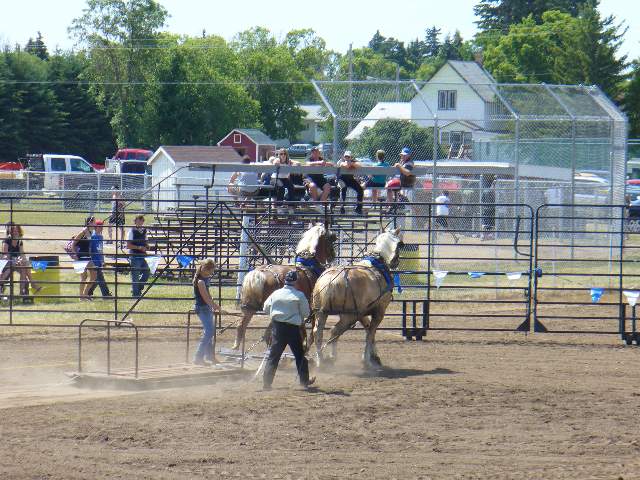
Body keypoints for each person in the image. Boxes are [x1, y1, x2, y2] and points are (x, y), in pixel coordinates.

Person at [262, 270, 315, 391]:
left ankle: (267, 383)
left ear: (285, 281)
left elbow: (265, 308)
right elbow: (306, 313)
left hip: (278, 328)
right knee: (300, 356)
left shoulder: (275, 293)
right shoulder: (299, 295)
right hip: (293, 329)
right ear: (296, 282)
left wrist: (275, 314)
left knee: (273, 356)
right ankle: (304, 382)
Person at [192, 258, 222, 366]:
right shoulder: (200, 282)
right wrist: (215, 306)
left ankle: (209, 356)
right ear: (205, 269)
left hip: (206, 308)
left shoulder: (205, 279)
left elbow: (208, 296)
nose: (212, 273)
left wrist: (213, 304)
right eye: (211, 271)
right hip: (202, 308)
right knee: (209, 332)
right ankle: (198, 357)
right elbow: (205, 298)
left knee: (209, 332)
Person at [0, 222, 42, 297]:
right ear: (11, 232)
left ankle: (21, 292)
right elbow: (4, 255)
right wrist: (15, 259)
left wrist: (22, 260)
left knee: (24, 267)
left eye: (17, 231)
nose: (16, 232)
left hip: (15, 262)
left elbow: (22, 254)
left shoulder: (19, 242)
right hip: (5, 263)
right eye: (14, 231)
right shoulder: (6, 240)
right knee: (19, 264)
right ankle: (32, 283)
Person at [71, 216, 97, 301]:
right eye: (94, 222)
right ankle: (81, 297)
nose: (95, 223)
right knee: (83, 277)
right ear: (89, 222)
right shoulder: (83, 231)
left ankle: (85, 294)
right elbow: (73, 244)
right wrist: (74, 255)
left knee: (94, 275)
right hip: (80, 257)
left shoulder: (91, 231)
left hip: (88, 257)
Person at [385, 147, 416, 212]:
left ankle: (392, 205)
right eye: (402, 155)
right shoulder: (402, 162)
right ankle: (399, 201)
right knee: (390, 185)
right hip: (402, 181)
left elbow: (407, 173)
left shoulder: (409, 163)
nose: (402, 156)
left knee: (388, 186)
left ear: (408, 155)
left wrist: (399, 166)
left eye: (404, 155)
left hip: (405, 182)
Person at [87, 219, 112, 298]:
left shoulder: (101, 237)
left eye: (102, 226)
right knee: (101, 279)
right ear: (95, 227)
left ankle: (88, 292)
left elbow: (101, 250)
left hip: (99, 260)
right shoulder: (92, 237)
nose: (101, 228)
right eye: (99, 226)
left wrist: (103, 260)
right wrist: (91, 261)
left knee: (96, 280)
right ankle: (106, 294)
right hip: (94, 261)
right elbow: (90, 249)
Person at [126, 214, 150, 298]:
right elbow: (128, 245)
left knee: (147, 272)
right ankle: (135, 294)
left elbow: (146, 242)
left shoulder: (144, 231)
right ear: (135, 221)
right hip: (134, 255)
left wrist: (147, 246)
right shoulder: (131, 231)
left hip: (143, 255)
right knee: (135, 275)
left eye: (142, 220)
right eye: (138, 220)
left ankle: (137, 288)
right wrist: (139, 247)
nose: (140, 222)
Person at [337, 150, 364, 215]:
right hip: (342, 179)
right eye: (346, 156)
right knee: (343, 188)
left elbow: (360, 165)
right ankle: (342, 207)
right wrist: (352, 164)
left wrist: (352, 163)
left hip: (350, 179)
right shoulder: (341, 161)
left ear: (351, 157)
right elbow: (346, 165)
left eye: (348, 157)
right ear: (344, 157)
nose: (347, 158)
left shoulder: (352, 161)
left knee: (360, 190)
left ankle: (358, 208)